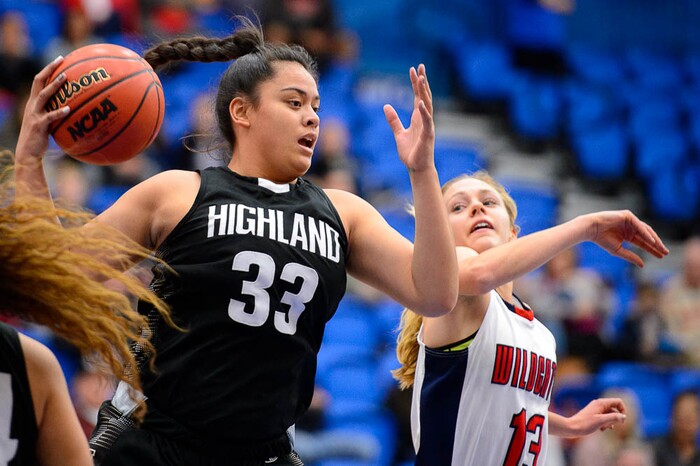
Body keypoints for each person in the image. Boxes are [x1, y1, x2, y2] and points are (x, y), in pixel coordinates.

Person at [14, 17, 459, 465]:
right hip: (151, 442)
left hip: (260, 452)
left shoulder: (344, 211)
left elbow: (436, 293)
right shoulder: (175, 192)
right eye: (294, 102)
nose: (311, 117)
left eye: (317, 107)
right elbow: (52, 276)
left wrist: (422, 171)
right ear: (242, 112)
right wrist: (31, 156)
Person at [392, 171, 669, 465]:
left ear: (512, 234)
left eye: (488, 201)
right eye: (458, 207)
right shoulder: (454, 292)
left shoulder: (540, 334)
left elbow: (510, 411)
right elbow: (481, 274)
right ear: (441, 241)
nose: (477, 207)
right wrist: (588, 226)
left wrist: (569, 424)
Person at [0, 151, 171, 465]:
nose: (113, 281)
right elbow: (56, 277)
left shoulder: (33, 362)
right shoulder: (40, 355)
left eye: (119, 272)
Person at [659, 235, 700, 366]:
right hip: (682, 354)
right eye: (690, 265)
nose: (694, 271)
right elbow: (670, 330)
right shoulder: (670, 291)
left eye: (697, 266)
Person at [652, 390, 700, 466]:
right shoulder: (655, 452)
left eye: (689, 419)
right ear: (672, 418)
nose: (685, 426)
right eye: (681, 418)